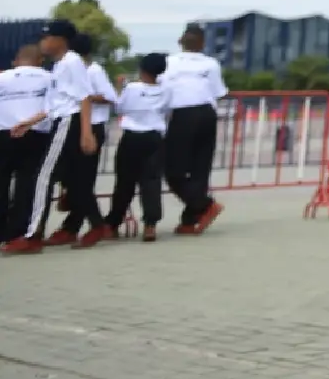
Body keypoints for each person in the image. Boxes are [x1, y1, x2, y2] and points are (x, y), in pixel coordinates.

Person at [0, 19, 94, 255]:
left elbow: (83, 97)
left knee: (43, 177)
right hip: (60, 118)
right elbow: (55, 103)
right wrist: (29, 122)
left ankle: (32, 236)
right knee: (51, 177)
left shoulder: (72, 62)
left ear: (59, 40)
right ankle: (38, 231)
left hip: (68, 121)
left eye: (46, 38)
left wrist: (86, 132)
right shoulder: (59, 65)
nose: (42, 42)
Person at [162, 22, 229, 235]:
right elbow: (219, 92)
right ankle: (190, 219)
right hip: (206, 114)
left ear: (181, 41)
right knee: (200, 169)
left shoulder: (169, 62)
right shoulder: (211, 63)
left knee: (173, 170)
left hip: (182, 114)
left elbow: (163, 89)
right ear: (203, 43)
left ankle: (203, 205)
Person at [56, 32, 116, 249]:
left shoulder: (93, 70)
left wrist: (85, 97)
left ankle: (95, 225)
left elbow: (110, 97)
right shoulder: (68, 69)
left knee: (80, 181)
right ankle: (72, 226)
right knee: (72, 179)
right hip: (73, 126)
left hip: (91, 128)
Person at [106, 53, 173, 242]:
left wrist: (120, 87)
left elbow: (120, 109)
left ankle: (113, 224)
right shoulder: (167, 90)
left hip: (132, 137)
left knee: (124, 182)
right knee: (151, 182)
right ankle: (150, 225)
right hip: (155, 137)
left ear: (142, 69)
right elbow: (168, 112)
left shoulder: (132, 88)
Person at [0, 44, 54, 244]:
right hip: (35, 132)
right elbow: (52, 108)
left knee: (1, 181)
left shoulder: (2, 78)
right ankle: (18, 231)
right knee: (27, 182)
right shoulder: (49, 78)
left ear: (16, 60)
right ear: (40, 61)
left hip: (3, 133)